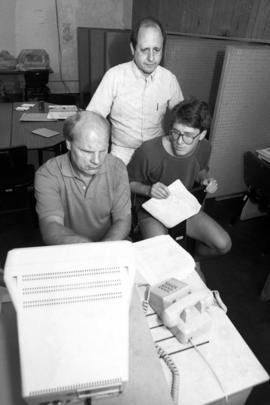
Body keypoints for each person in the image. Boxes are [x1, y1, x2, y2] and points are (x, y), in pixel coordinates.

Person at [127, 98, 232, 258]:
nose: (179, 141)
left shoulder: (205, 148)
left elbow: (201, 170)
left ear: (202, 134)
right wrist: (148, 190)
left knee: (223, 244)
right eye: (175, 132)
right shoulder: (148, 151)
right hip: (150, 208)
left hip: (182, 204)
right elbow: (127, 183)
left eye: (188, 135)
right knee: (163, 255)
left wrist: (206, 179)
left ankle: (192, 259)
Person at [86, 16, 183, 164]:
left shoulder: (169, 79)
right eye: (145, 50)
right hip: (123, 152)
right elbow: (93, 117)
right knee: (119, 185)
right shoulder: (114, 76)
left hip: (157, 150)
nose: (151, 58)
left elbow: (183, 117)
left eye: (157, 50)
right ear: (133, 48)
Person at [35, 111, 131, 245]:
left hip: (110, 245)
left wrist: (105, 248)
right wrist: (89, 250)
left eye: (103, 151)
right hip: (68, 248)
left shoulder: (117, 168)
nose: (97, 161)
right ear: (68, 144)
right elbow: (51, 227)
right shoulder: (48, 174)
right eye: (87, 151)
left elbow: (123, 219)